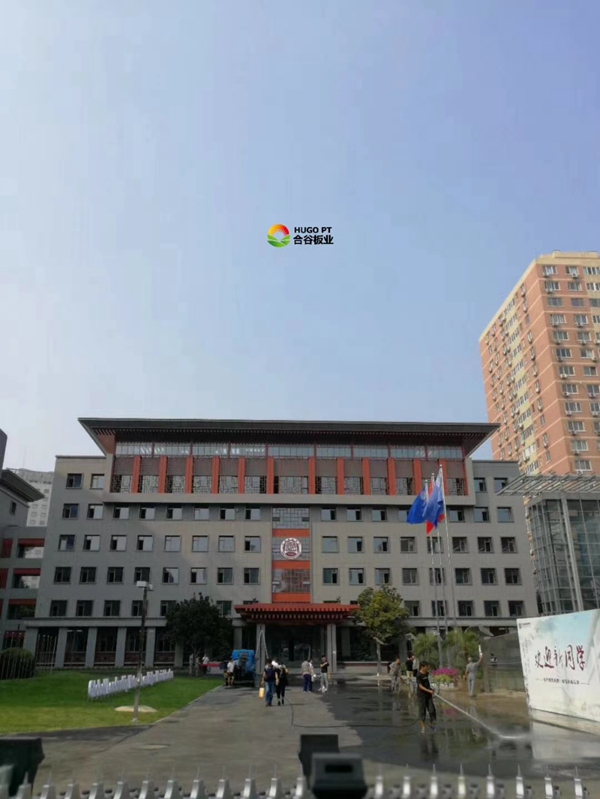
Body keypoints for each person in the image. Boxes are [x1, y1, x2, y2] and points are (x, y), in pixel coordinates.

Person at [416, 662, 437, 733]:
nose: (428, 668)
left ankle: (431, 724)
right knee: (422, 711)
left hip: (428, 695)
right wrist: (428, 690)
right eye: (426, 667)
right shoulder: (418, 675)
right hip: (421, 695)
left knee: (432, 710)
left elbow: (429, 683)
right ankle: (423, 727)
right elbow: (420, 686)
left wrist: (432, 689)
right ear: (422, 667)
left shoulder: (427, 674)